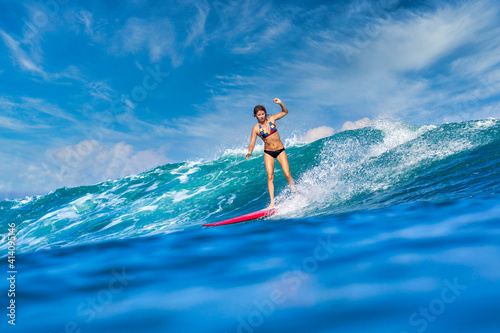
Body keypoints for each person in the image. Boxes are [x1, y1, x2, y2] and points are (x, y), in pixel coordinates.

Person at [245, 98, 295, 208]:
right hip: (268, 153)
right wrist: (250, 152)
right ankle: (272, 202)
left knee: (287, 174)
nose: (262, 116)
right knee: (270, 176)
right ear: (255, 116)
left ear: (265, 113)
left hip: (280, 150)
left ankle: (295, 192)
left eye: (263, 114)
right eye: (259, 115)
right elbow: (252, 142)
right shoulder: (255, 129)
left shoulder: (272, 119)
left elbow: (285, 112)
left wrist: (281, 103)